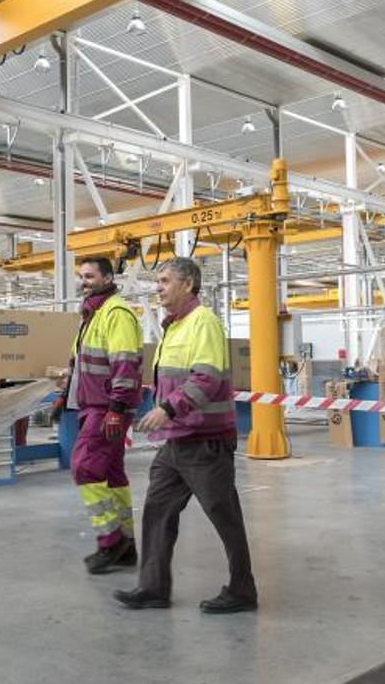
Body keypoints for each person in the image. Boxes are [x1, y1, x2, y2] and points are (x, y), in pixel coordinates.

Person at [114, 257, 258, 614]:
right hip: (176, 440)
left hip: (205, 443)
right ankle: (153, 587)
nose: (158, 287)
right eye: (157, 281)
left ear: (188, 284)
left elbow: (206, 378)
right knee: (157, 511)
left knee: (223, 515)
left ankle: (242, 590)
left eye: (164, 281)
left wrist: (167, 409)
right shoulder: (173, 328)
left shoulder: (202, 323)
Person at [52, 256, 144, 574]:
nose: (84, 280)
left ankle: (111, 541)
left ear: (107, 278)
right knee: (112, 473)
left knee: (85, 467)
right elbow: (77, 363)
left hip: (107, 408)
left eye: (90, 276)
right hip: (92, 404)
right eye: (81, 275)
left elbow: (125, 363)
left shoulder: (116, 313)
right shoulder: (91, 314)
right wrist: (64, 396)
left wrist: (117, 409)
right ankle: (128, 545)